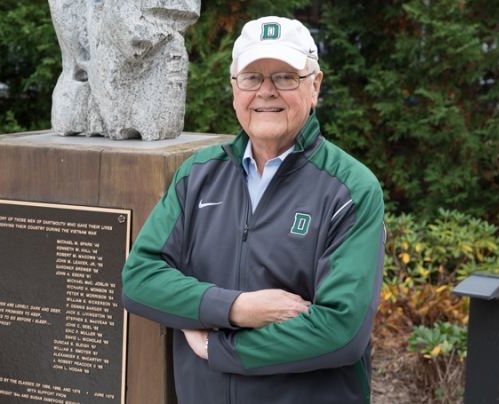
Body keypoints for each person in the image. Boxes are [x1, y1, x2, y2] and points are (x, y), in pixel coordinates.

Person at [122, 16, 385, 404]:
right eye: (251, 77)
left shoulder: (350, 188)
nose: (266, 92)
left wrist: (218, 349)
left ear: (315, 87)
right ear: (234, 90)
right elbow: (139, 279)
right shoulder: (197, 176)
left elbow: (341, 330)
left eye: (285, 77)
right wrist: (236, 308)